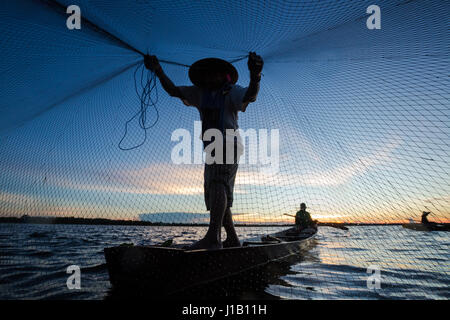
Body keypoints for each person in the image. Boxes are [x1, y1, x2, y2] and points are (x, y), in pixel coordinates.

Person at [144, 52, 263, 250]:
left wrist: (255, 75)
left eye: (214, 73)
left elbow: (250, 95)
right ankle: (232, 239)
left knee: (217, 184)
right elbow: (173, 90)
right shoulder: (199, 93)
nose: (210, 77)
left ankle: (213, 238)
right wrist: (158, 70)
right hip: (212, 147)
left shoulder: (231, 91)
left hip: (228, 143)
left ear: (224, 76)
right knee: (218, 190)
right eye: (206, 74)